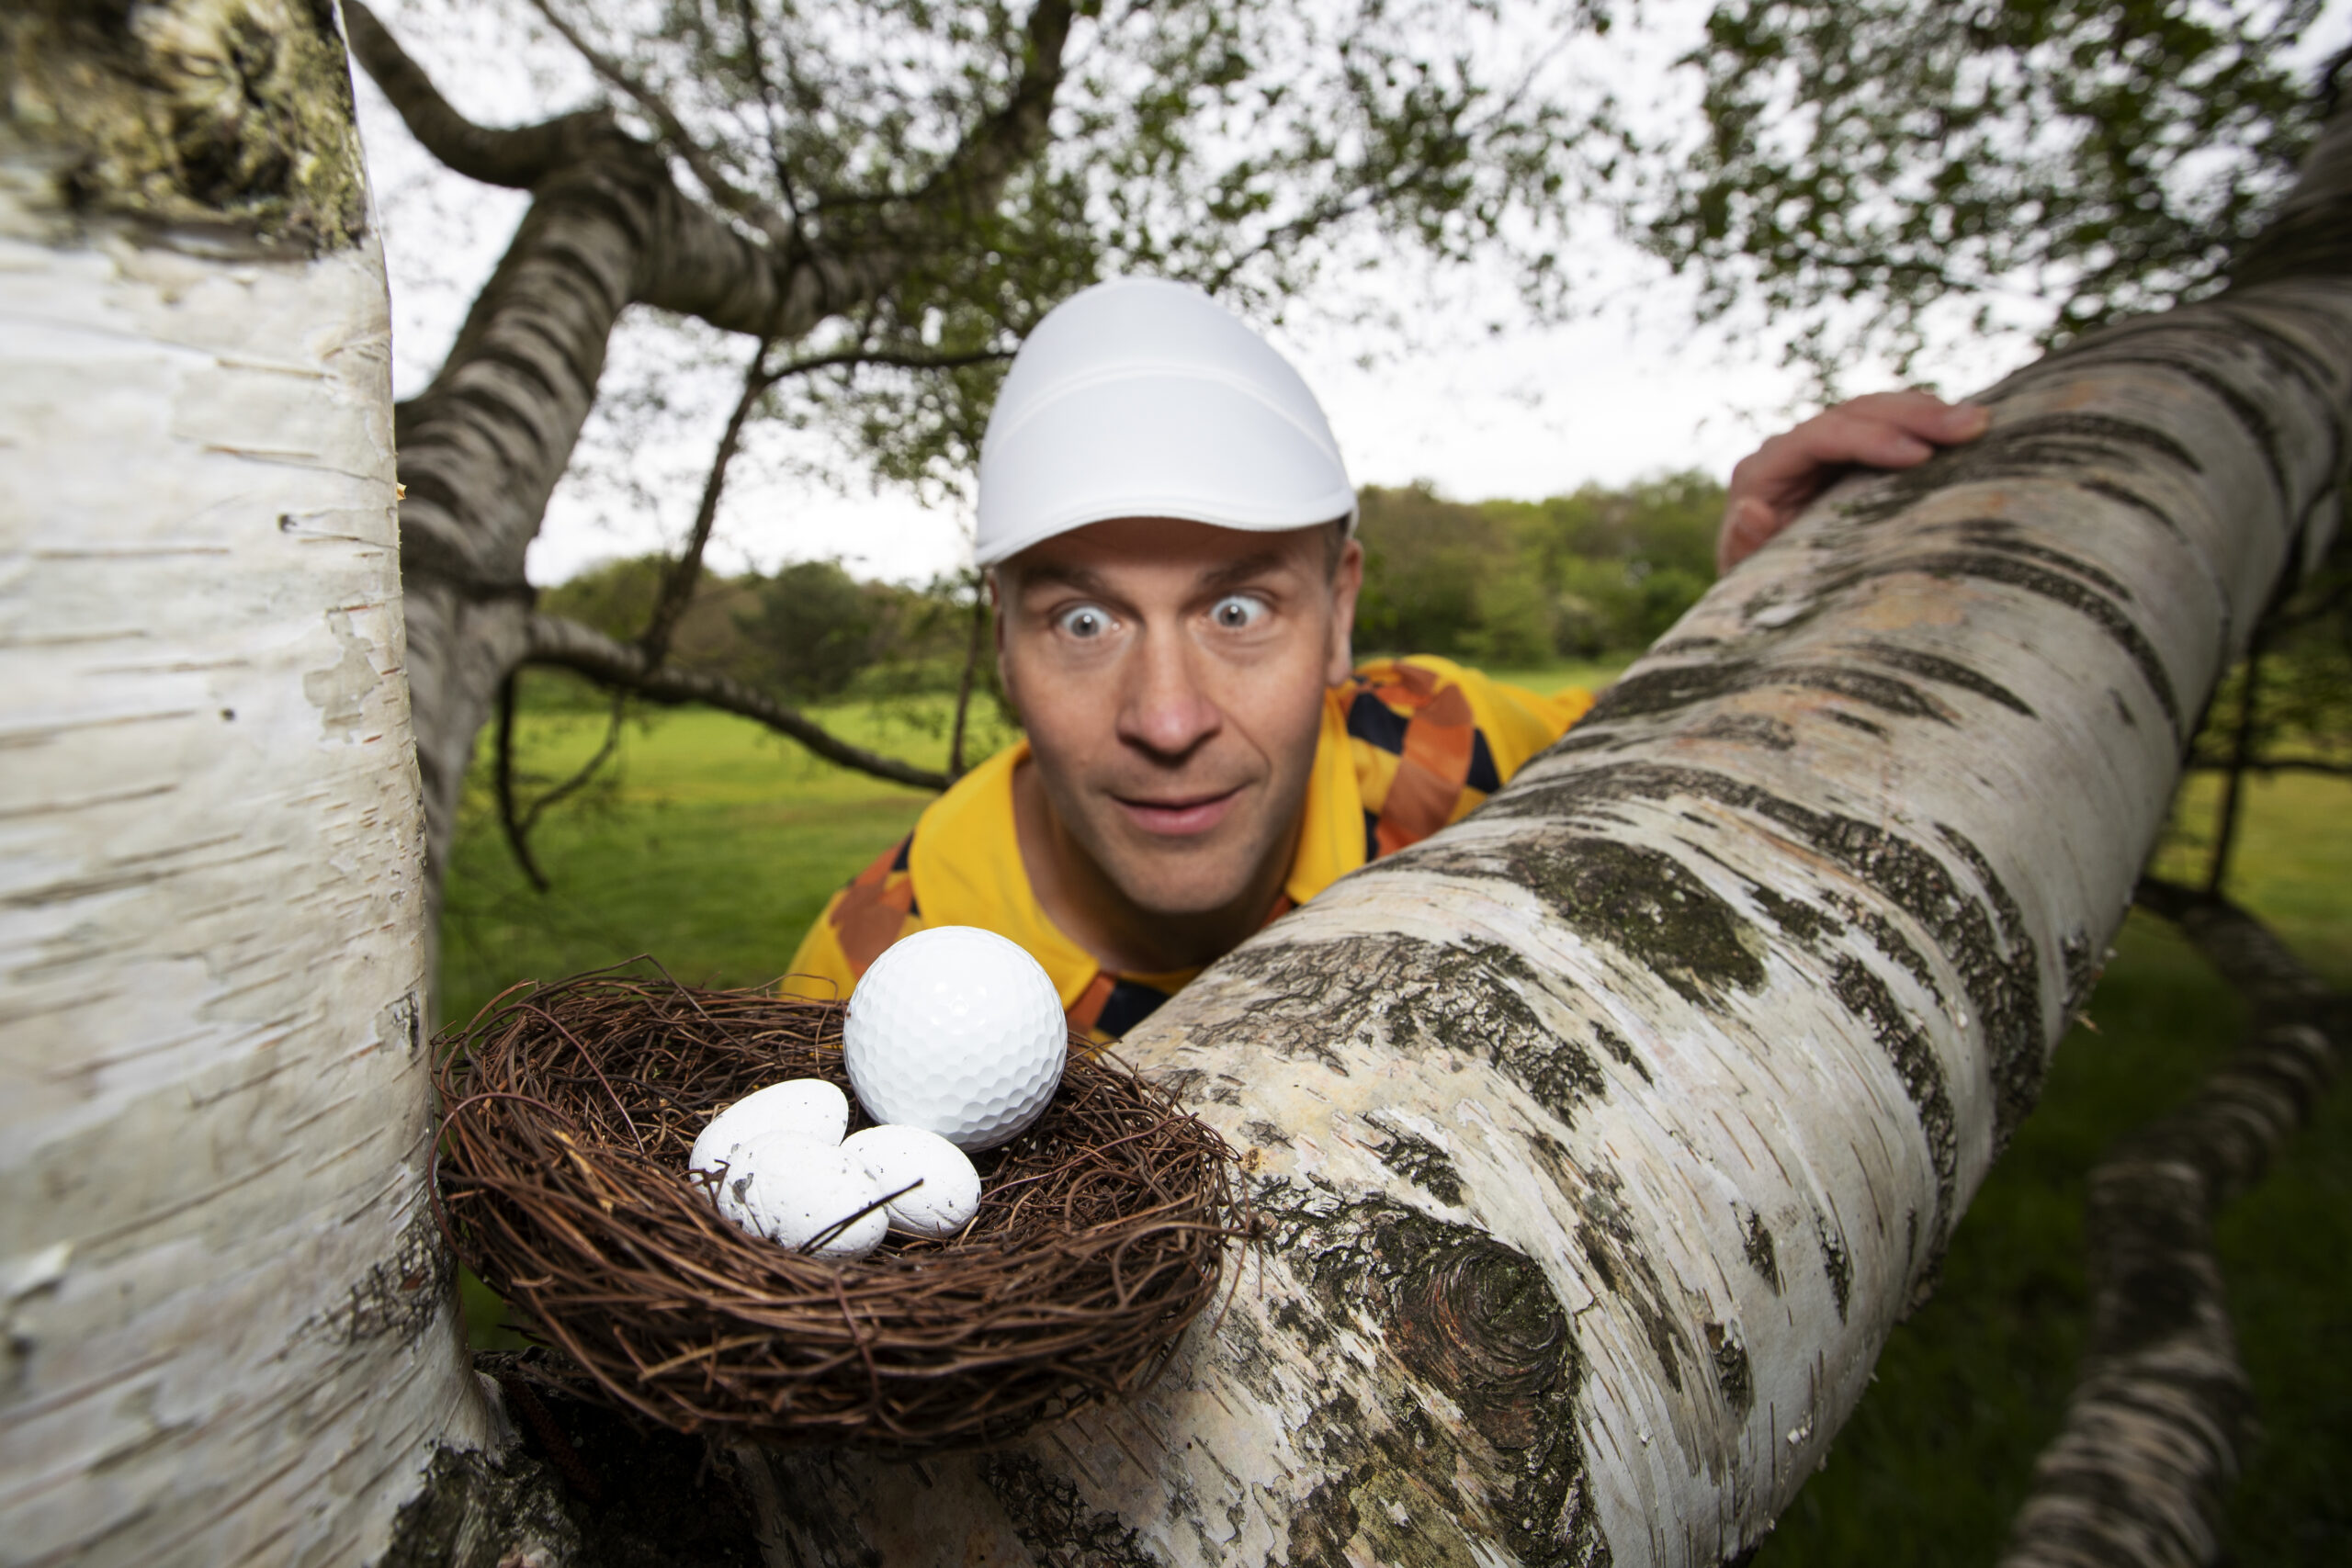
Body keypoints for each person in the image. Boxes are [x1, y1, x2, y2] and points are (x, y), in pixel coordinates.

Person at [783, 278, 1988, 1037]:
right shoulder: (873, 970)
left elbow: (1666, 742)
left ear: (1340, 604)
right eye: (1084, 624)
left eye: (1239, 611)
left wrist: (1764, 595)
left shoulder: (1427, 754)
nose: (1166, 719)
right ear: (1002, 635)